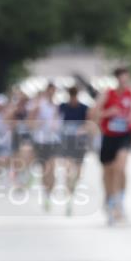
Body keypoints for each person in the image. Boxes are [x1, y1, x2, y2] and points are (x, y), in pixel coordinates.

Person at [89, 67, 131, 225]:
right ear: (117, 79)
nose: (124, 82)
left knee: (120, 168)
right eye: (121, 79)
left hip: (124, 136)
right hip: (108, 136)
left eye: (127, 79)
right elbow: (92, 114)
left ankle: (119, 200)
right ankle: (109, 198)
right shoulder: (107, 94)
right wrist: (107, 113)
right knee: (108, 171)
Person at [28, 82, 62, 212]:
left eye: (54, 91)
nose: (51, 93)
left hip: (53, 140)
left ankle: (50, 192)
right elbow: (30, 122)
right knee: (45, 169)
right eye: (50, 91)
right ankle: (46, 193)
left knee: (52, 168)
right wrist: (38, 123)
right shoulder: (39, 105)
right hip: (41, 140)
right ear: (46, 91)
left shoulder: (57, 106)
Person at [59, 85, 90, 215]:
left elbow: (88, 123)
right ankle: (68, 193)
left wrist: (83, 129)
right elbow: (57, 121)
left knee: (78, 171)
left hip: (79, 143)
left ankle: (73, 186)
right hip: (67, 142)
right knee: (68, 167)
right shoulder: (63, 107)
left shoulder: (84, 108)